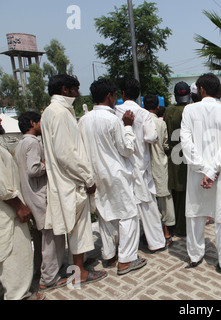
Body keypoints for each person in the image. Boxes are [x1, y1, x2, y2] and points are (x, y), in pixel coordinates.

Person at [41, 74, 107, 286]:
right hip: (71, 181)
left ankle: (77, 267)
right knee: (79, 229)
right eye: (75, 89)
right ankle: (80, 273)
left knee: (75, 229)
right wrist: (87, 178)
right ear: (64, 89)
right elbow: (66, 153)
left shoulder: (51, 112)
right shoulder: (59, 113)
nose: (77, 94)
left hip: (65, 180)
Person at [78, 79, 146, 275]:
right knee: (129, 215)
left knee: (106, 215)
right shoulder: (113, 120)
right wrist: (128, 127)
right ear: (110, 96)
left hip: (95, 174)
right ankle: (126, 259)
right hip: (116, 174)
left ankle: (109, 255)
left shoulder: (83, 120)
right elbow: (126, 149)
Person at [180, 73, 221, 275]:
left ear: (202, 89)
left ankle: (195, 256)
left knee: (195, 214)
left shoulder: (189, 110)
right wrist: (212, 171)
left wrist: (203, 169)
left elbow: (185, 143)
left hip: (198, 173)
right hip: (219, 174)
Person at [15, 112, 67, 292]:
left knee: (40, 238)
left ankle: (40, 270)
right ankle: (49, 277)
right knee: (51, 236)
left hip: (29, 196)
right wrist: (47, 164)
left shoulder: (20, 144)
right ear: (32, 123)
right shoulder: (32, 143)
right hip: (39, 195)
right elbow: (33, 169)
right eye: (39, 122)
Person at [115, 78, 167, 254]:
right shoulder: (143, 113)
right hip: (142, 165)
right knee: (148, 205)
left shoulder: (116, 112)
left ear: (122, 94)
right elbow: (151, 137)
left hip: (122, 165)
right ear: (138, 95)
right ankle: (157, 242)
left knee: (124, 208)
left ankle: (122, 248)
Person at [0, 117, 41, 300]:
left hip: (9, 207)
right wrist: (19, 206)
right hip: (8, 210)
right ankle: (18, 295)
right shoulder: (31, 143)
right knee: (14, 255)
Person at [143, 93, 176, 243]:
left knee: (150, 201)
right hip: (159, 165)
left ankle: (151, 233)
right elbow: (165, 145)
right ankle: (167, 231)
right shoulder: (160, 124)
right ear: (157, 107)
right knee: (165, 199)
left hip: (144, 167)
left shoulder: (140, 121)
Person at [164, 82, 190, 237]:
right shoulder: (190, 110)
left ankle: (172, 225)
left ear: (175, 95)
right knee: (186, 193)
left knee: (174, 191)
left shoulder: (168, 111)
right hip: (187, 156)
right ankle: (182, 227)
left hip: (172, 155)